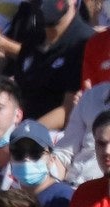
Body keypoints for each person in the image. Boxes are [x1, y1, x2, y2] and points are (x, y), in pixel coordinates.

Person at [12, 0, 90, 129]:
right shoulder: (33, 37)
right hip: (18, 128)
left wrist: (26, 133)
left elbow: (68, 110)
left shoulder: (83, 43)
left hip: (52, 138)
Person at [8, 119, 72, 207]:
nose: (26, 159)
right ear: (10, 159)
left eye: (35, 152)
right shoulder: (11, 200)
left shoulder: (63, 197)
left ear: (52, 159)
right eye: (18, 153)